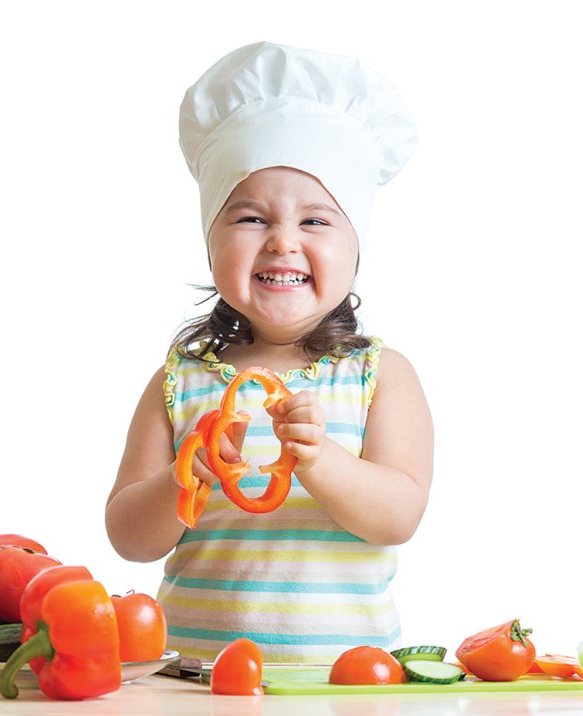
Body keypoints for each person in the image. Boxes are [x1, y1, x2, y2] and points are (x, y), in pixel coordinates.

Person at [105, 41, 433, 663]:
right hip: (194, 685)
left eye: (315, 221)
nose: (283, 240)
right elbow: (128, 536)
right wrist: (185, 477)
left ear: (355, 247)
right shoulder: (179, 382)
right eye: (251, 218)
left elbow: (399, 516)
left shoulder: (380, 377)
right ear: (211, 242)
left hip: (348, 687)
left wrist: (321, 461)